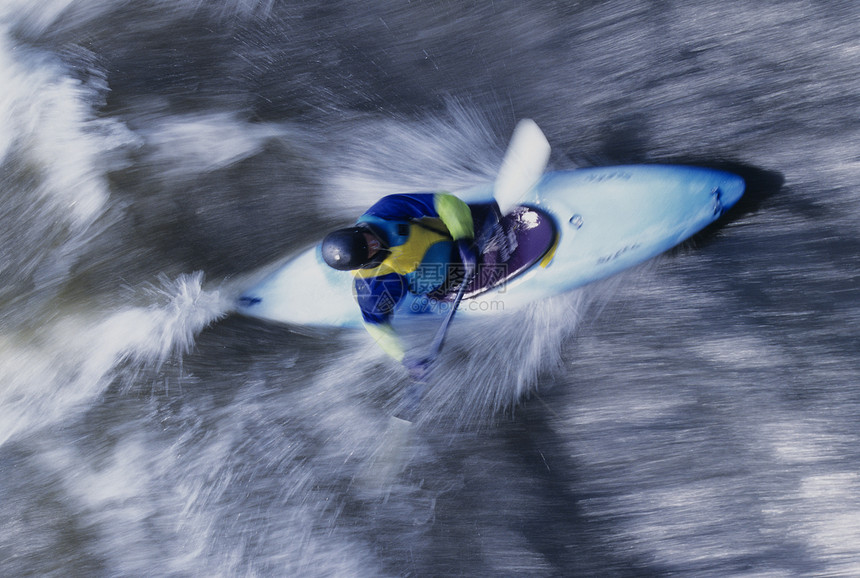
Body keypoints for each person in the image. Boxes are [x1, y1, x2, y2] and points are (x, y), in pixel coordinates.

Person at [321, 192, 478, 368]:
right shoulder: (373, 286)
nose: (374, 244)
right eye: (369, 251)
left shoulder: (384, 212)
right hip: (452, 281)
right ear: (364, 263)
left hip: (462, 236)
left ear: (357, 231)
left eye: (366, 239)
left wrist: (464, 238)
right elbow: (376, 326)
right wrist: (406, 359)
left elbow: (444, 201)